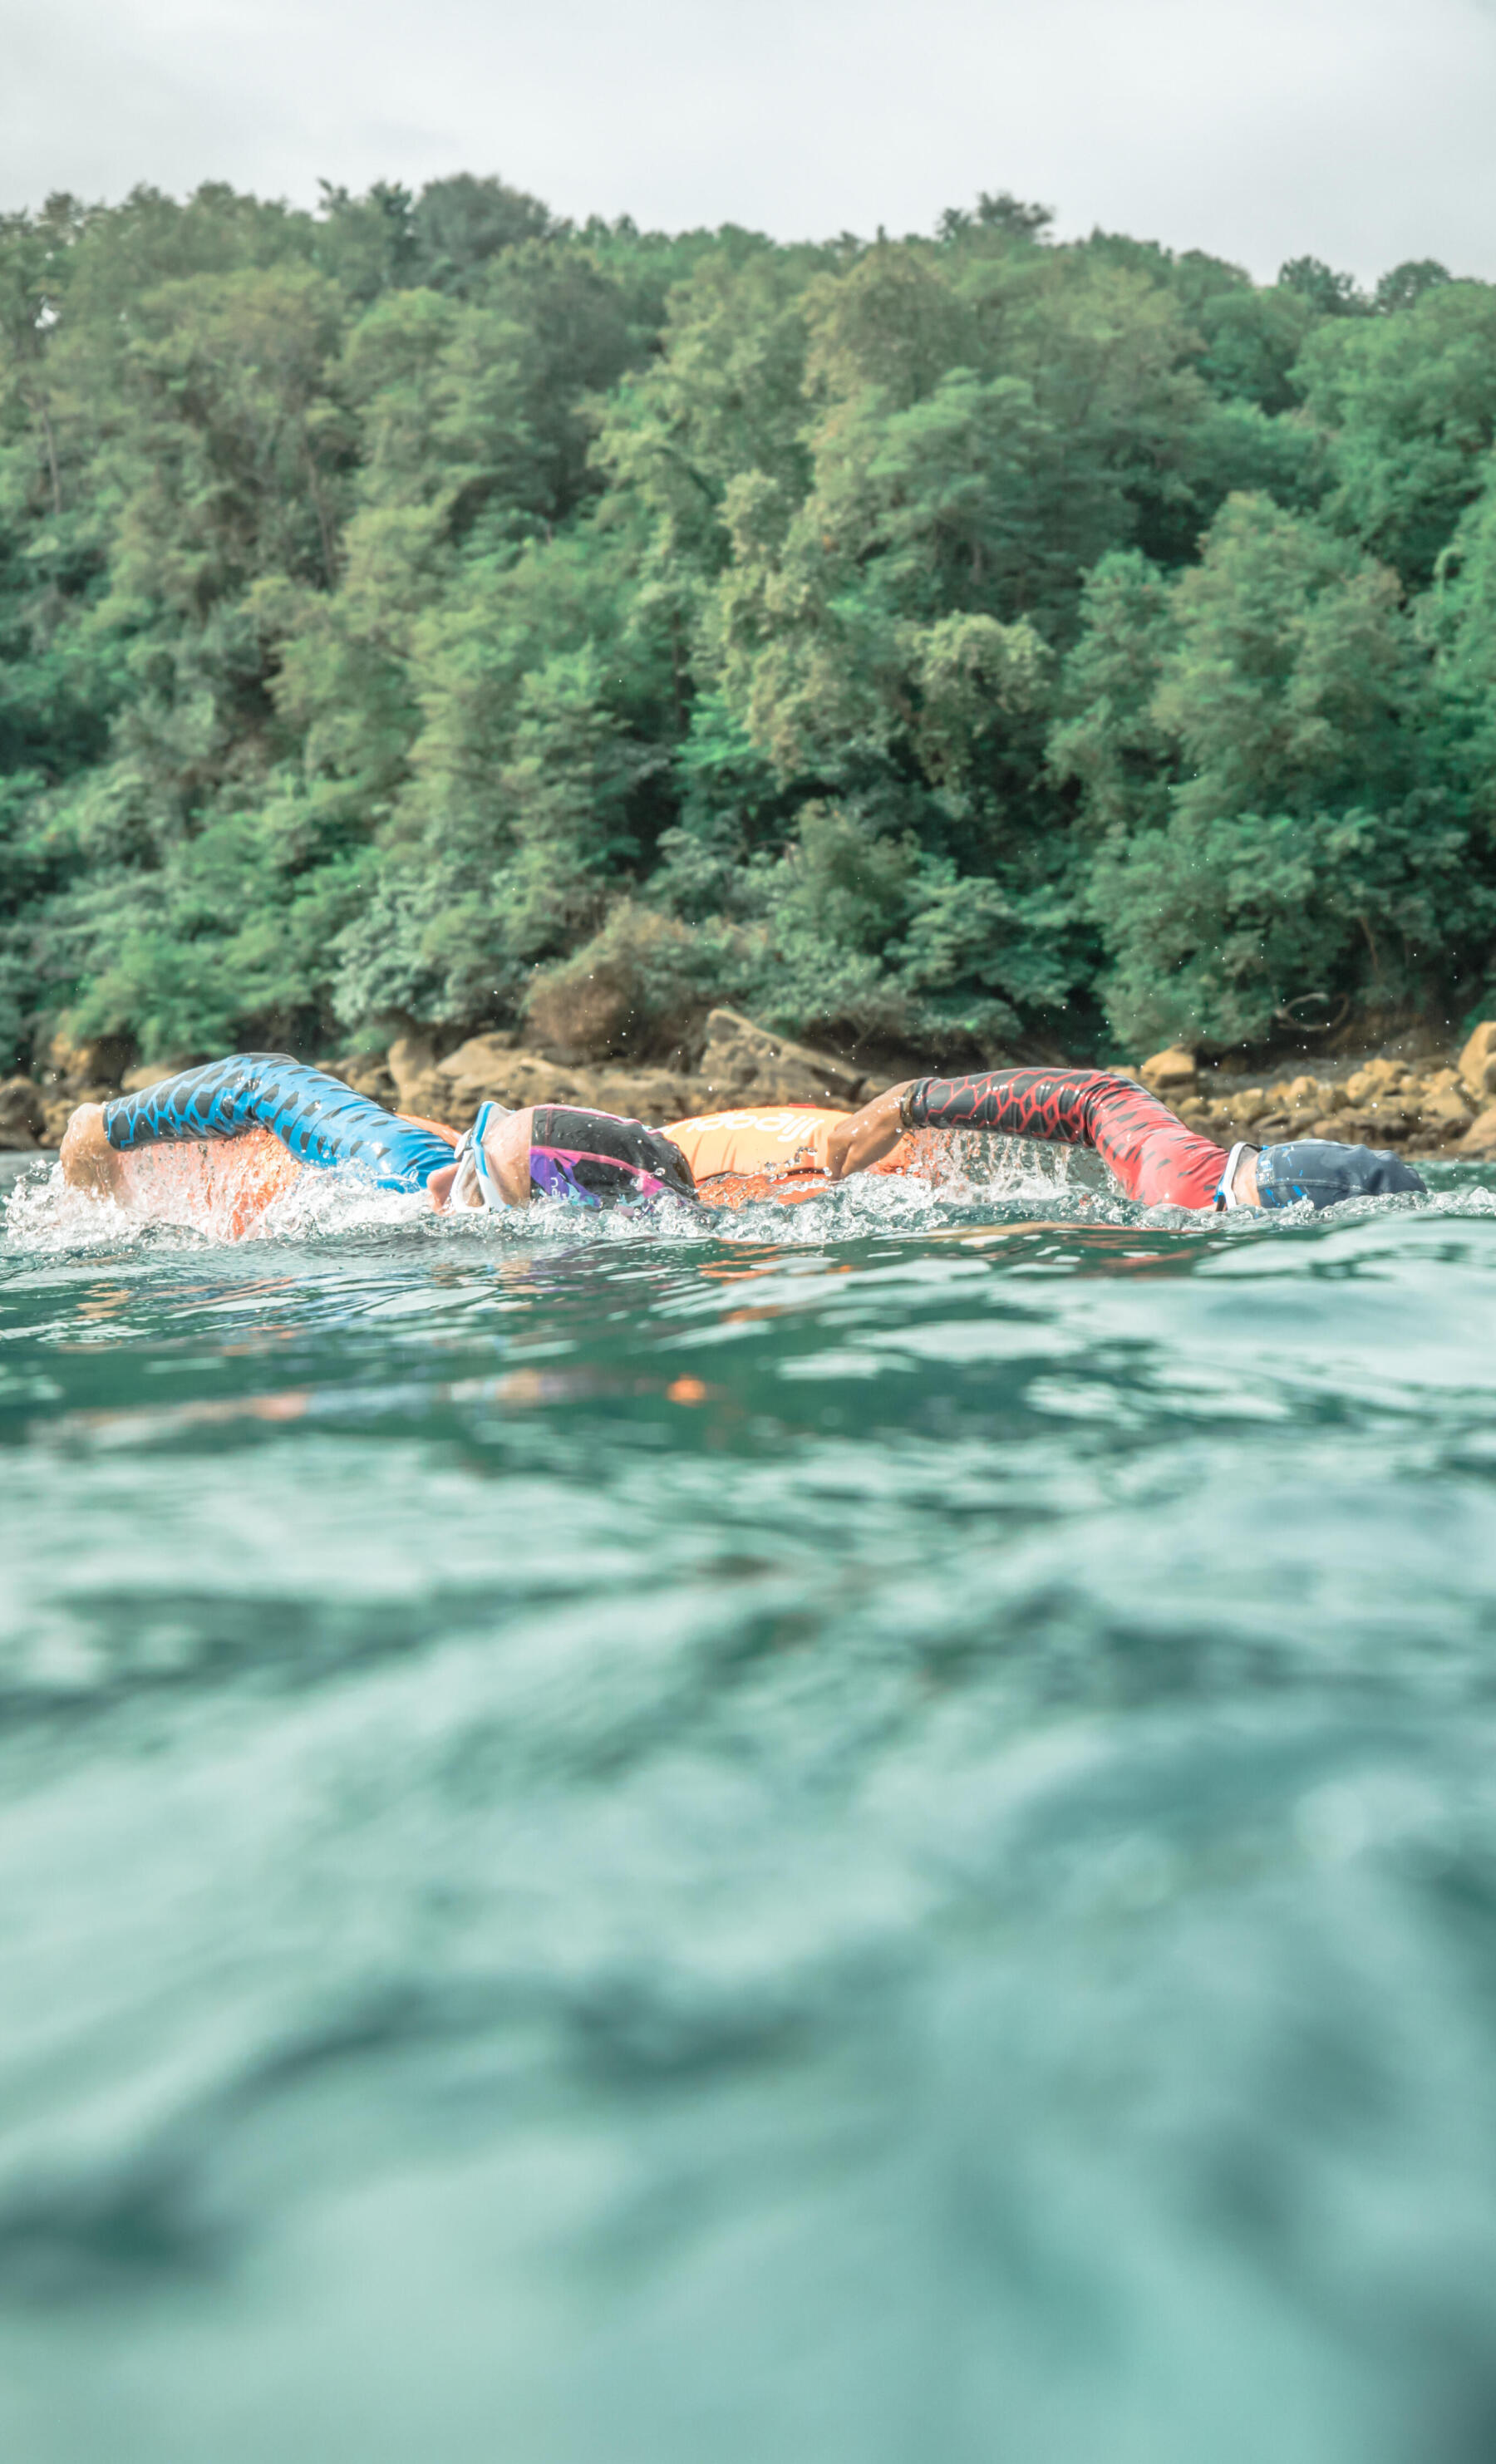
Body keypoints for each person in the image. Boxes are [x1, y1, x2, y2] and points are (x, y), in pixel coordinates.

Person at [58, 1050, 1425, 1236]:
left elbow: (1095, 1100)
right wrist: (917, 1106)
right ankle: (106, 1131)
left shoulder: (1178, 1174)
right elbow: (1100, 1103)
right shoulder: (405, 1171)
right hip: (553, 1176)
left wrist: (923, 1104)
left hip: (658, 1199)